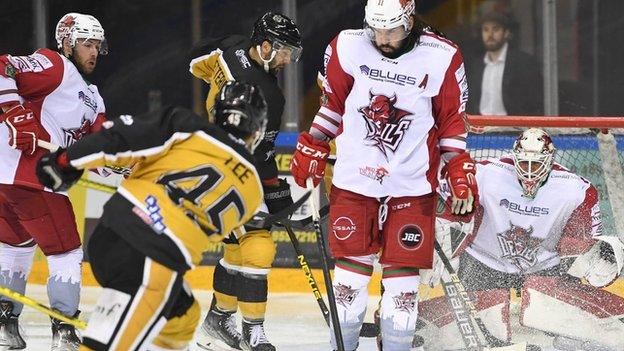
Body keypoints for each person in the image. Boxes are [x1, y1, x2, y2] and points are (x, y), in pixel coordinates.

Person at [289, 0, 478, 350]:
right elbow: (333, 105)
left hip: (412, 185)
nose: (383, 38)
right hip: (354, 182)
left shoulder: (442, 56)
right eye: (376, 30)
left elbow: (451, 121)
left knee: (403, 290)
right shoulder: (346, 45)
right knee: (347, 282)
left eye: (391, 30)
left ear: (409, 21)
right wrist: (314, 142)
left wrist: (457, 168)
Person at [35, 81, 268, 351]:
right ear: (256, 130)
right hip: (153, 260)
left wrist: (66, 161)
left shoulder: (187, 125)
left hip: (112, 232)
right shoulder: (253, 190)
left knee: (183, 315)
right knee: (106, 346)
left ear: (217, 113)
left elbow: (121, 138)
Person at [418, 128, 624, 350]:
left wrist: (595, 254)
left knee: (552, 317)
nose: (528, 171)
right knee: (474, 323)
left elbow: (580, 244)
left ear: (550, 160)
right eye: (523, 163)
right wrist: (441, 225)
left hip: (543, 270)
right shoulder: (485, 174)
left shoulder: (576, 190)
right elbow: (448, 202)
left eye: (535, 164)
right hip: (483, 264)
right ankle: (413, 322)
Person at [188, 11, 302, 351]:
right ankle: (253, 330)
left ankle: (219, 319)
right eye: (283, 51)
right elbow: (263, 157)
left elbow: (196, 60)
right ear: (265, 46)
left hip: (215, 168)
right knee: (258, 246)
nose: (287, 60)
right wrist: (277, 194)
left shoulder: (231, 48)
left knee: (237, 248)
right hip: (221, 174)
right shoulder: (270, 95)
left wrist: (212, 79)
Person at [0, 12, 108, 350]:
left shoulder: (92, 96)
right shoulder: (53, 65)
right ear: (66, 43)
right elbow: (3, 66)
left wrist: (120, 163)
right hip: (31, 176)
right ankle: (64, 329)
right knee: (66, 251)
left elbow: (102, 148)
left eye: (97, 45)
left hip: (9, 182)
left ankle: (5, 323)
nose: (93, 51)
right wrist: (15, 113)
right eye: (86, 43)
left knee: (15, 247)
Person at [465, 11, 543, 116]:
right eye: (486, 30)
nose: (490, 35)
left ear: (506, 33)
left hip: (512, 128)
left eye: (495, 29)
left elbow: (534, 102)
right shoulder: (475, 66)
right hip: (479, 128)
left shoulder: (524, 63)